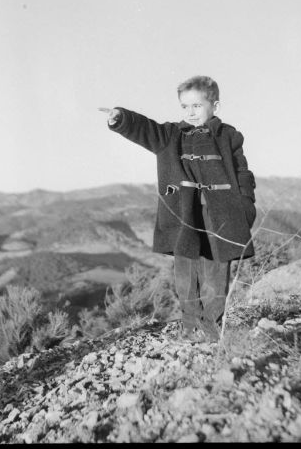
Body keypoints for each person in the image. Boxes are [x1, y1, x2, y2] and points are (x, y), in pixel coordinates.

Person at [99, 76, 256, 342]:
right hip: (186, 215)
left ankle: (212, 327)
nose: (190, 113)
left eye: (197, 106)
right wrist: (121, 118)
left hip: (222, 215)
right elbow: (145, 129)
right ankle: (190, 323)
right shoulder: (170, 136)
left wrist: (245, 204)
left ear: (214, 105)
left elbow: (242, 172)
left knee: (216, 275)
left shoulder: (228, 135)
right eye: (185, 107)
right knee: (186, 273)